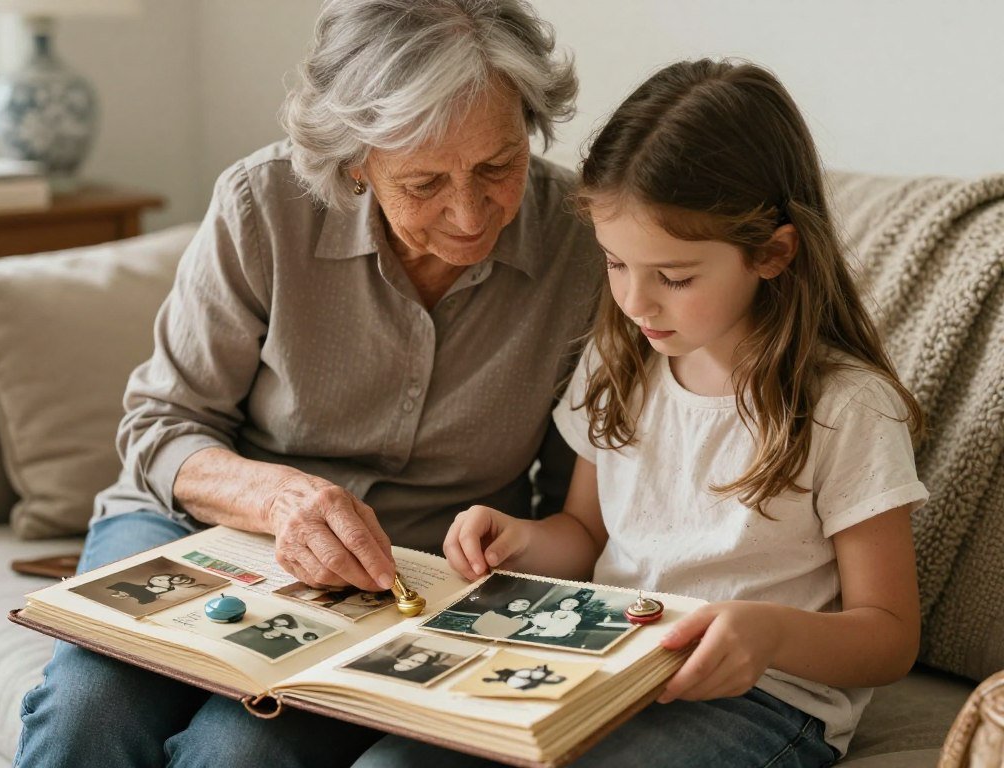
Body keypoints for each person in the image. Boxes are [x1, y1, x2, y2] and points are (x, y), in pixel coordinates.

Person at [14, 2, 600, 766]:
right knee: (85, 714)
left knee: (242, 752)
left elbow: (574, 508)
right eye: (424, 182)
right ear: (357, 160)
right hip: (200, 524)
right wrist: (279, 499)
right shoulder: (264, 206)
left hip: (408, 574)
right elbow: (161, 426)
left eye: (498, 166)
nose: (468, 213)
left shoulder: (584, 249)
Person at [369, 59, 928, 767]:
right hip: (605, 665)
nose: (635, 302)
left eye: (674, 276)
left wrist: (769, 635)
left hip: (761, 699)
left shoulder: (844, 408)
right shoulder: (621, 361)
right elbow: (583, 534)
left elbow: (889, 636)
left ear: (772, 252)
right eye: (615, 263)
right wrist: (516, 540)